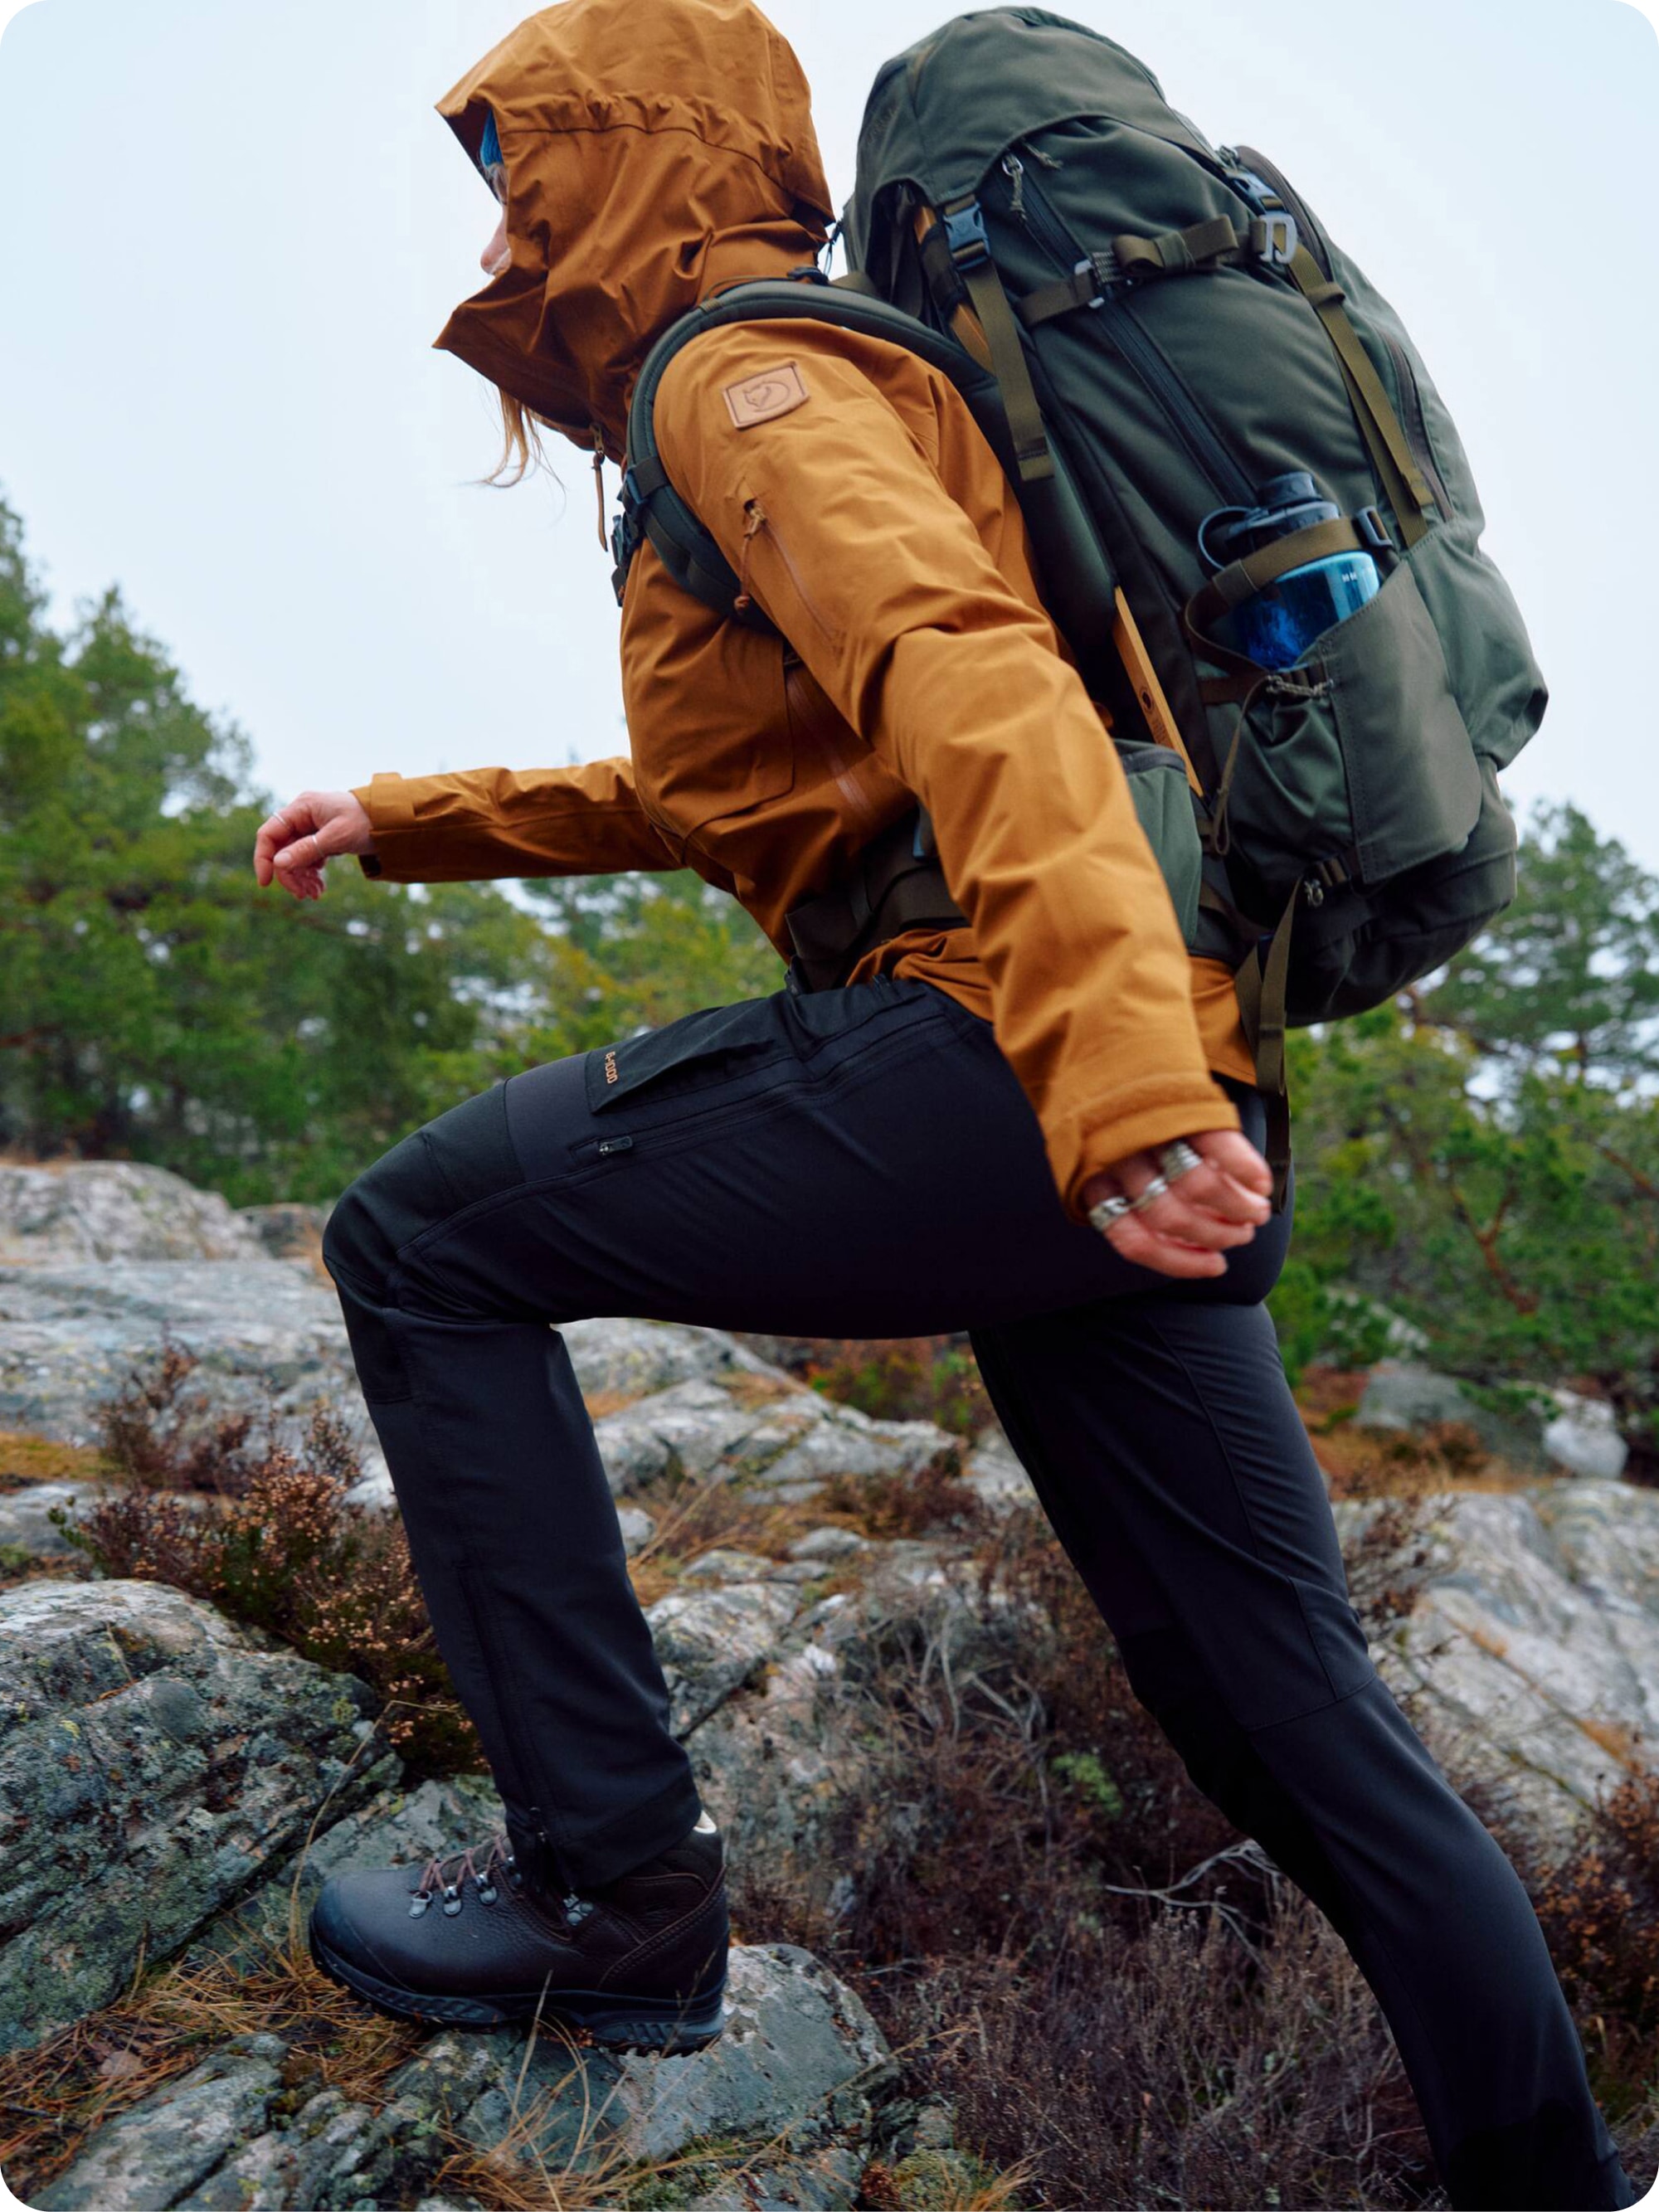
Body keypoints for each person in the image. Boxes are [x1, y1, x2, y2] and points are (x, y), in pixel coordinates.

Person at [251, 2, 1638, 2203]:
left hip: (1035, 1065)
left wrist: (1112, 1090)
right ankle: (1552, 2176)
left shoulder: (747, 373)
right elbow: (770, 777)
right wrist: (415, 816)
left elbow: (976, 691)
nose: (505, 215)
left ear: (639, 152)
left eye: (528, 161)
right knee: (1302, 1732)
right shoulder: (800, 386)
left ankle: (614, 1901)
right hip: (1141, 1077)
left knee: (417, 1244)